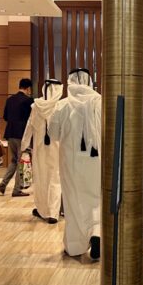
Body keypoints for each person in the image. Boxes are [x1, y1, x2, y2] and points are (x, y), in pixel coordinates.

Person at [49, 68, 102, 260]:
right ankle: (97, 232)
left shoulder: (62, 105)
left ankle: (76, 245)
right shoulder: (100, 102)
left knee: (73, 201)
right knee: (97, 198)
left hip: (71, 162)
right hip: (97, 160)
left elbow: (53, 134)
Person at [22, 78, 63, 223]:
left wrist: (24, 146)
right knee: (55, 179)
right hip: (57, 149)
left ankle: (42, 210)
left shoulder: (35, 106)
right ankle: (53, 213)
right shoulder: (61, 106)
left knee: (41, 179)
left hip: (40, 149)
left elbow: (29, 128)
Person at [0, 78, 35, 197]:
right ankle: (16, 190)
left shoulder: (10, 99)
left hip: (10, 134)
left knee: (14, 160)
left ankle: (3, 184)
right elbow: (31, 119)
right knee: (21, 161)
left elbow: (5, 117)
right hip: (22, 135)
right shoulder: (29, 100)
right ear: (28, 88)